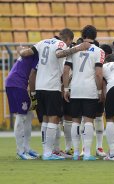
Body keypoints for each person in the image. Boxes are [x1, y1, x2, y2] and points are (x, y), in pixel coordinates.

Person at [18, 28, 90, 160]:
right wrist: (78, 48)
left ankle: (46, 150)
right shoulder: (60, 44)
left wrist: (20, 49)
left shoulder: (42, 42)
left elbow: (26, 53)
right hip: (52, 87)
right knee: (53, 118)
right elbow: (59, 54)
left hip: (40, 86)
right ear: (68, 39)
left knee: (45, 118)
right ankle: (47, 153)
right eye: (69, 43)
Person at [63, 25, 105, 161]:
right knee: (88, 121)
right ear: (95, 36)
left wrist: (65, 89)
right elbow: (99, 74)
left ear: (82, 35)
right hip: (90, 89)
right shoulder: (99, 51)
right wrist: (99, 91)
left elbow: (65, 71)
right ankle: (87, 153)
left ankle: (75, 153)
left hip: (75, 88)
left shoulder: (74, 50)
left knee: (75, 120)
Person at [5, 53, 40, 160]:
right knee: (21, 116)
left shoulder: (30, 53)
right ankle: (20, 151)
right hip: (17, 84)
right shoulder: (37, 57)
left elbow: (21, 50)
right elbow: (32, 75)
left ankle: (26, 148)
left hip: (15, 83)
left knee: (28, 114)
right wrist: (33, 95)